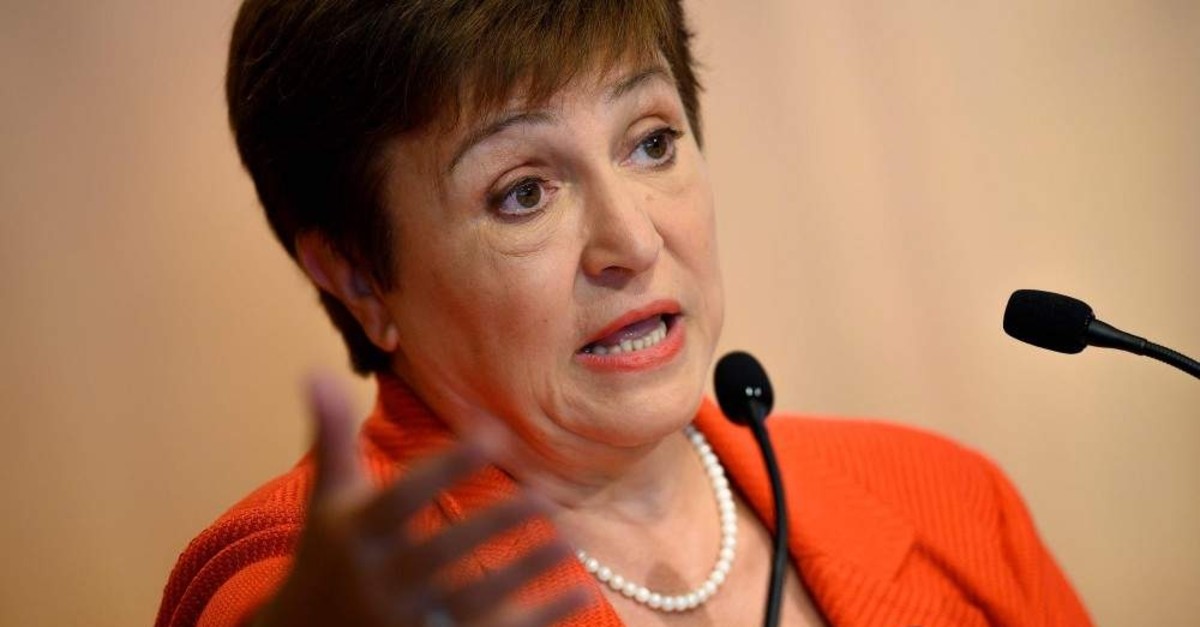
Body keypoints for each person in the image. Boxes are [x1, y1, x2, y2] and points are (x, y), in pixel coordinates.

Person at [156, 1, 1093, 626]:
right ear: (359, 275)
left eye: (650, 142)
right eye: (524, 192)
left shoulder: (945, 499)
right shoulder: (320, 580)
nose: (633, 242)